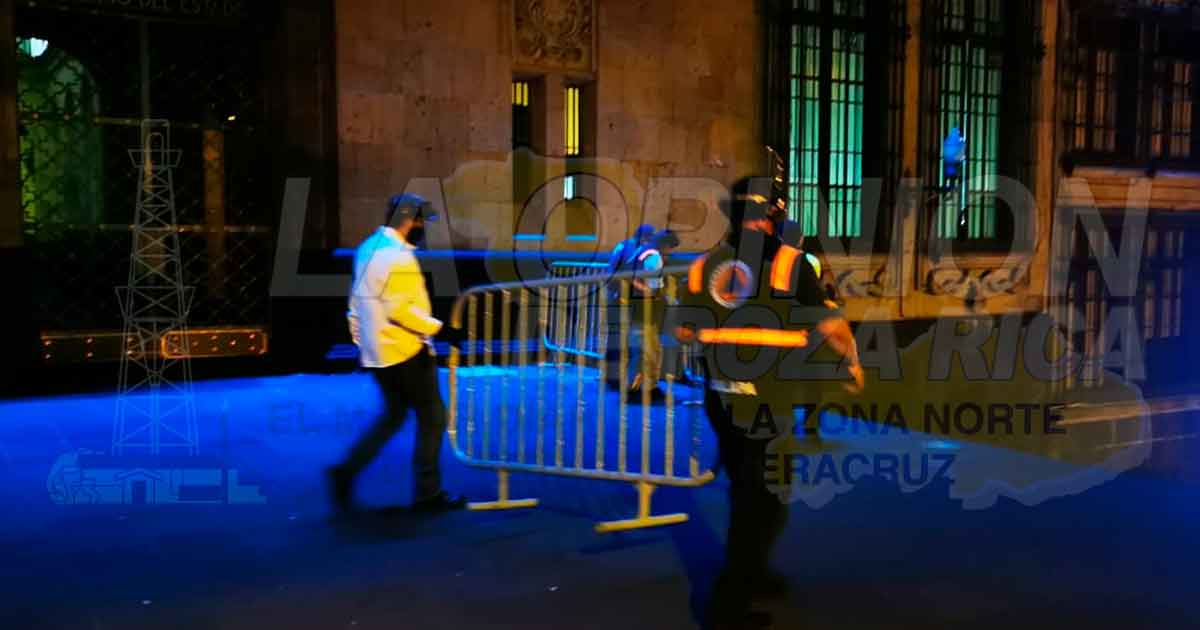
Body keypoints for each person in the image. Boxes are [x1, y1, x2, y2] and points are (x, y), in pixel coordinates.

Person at [670, 179, 863, 630]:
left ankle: (755, 573)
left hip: (721, 396)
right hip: (767, 398)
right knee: (762, 499)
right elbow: (831, 325)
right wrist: (852, 363)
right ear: (773, 216)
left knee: (749, 490)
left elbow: (680, 330)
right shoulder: (789, 263)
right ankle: (728, 604)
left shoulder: (705, 265)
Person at [327, 193, 466, 514]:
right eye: (421, 221)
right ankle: (428, 494)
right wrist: (442, 330)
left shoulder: (367, 248)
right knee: (432, 416)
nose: (424, 228)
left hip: (379, 352)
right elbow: (400, 310)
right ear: (408, 220)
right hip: (405, 351)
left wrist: (362, 345)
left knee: (393, 415)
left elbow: (355, 304)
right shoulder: (396, 257)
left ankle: (345, 471)